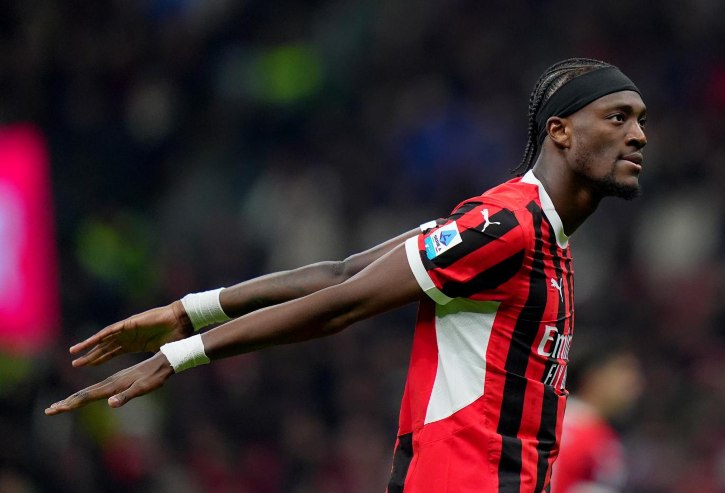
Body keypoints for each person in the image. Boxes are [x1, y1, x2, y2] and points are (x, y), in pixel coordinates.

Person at [45, 57, 648, 493]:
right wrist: (181, 353)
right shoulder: (508, 227)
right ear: (560, 130)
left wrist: (191, 310)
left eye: (640, 120)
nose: (639, 135)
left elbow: (343, 270)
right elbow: (347, 299)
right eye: (618, 117)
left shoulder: (533, 233)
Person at [550, 344, 644, 493]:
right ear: (593, 376)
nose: (635, 386)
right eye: (625, 373)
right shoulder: (595, 441)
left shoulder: (549, 416)